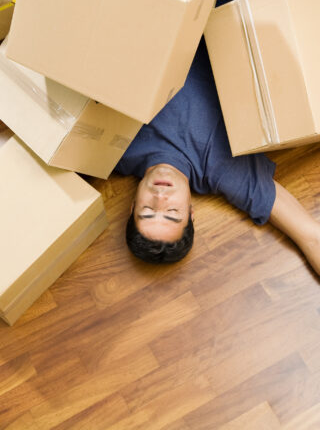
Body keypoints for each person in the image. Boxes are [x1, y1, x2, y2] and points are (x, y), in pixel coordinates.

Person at [115, 37, 320, 272]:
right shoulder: (222, 170)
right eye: (172, 212)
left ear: (132, 208)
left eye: (148, 211)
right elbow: (312, 237)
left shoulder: (111, 151)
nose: (160, 198)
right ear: (191, 213)